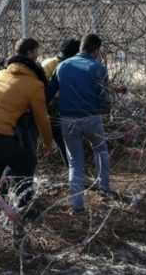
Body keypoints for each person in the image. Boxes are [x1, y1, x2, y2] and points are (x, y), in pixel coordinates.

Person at [0, 38, 52, 225]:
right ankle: (26, 210)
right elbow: (42, 118)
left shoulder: (3, 74)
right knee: (25, 164)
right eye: (37, 52)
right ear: (31, 55)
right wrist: (47, 143)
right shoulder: (34, 84)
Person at [47, 33, 112, 213]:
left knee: (75, 161)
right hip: (91, 118)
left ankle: (77, 205)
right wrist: (105, 110)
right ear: (96, 50)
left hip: (68, 119)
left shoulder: (62, 66)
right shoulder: (98, 67)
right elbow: (104, 96)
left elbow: (49, 92)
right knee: (100, 150)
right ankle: (104, 188)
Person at [41, 38, 81, 165]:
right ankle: (73, 170)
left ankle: (72, 170)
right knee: (65, 142)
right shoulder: (66, 66)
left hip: (44, 107)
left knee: (63, 141)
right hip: (53, 109)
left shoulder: (48, 62)